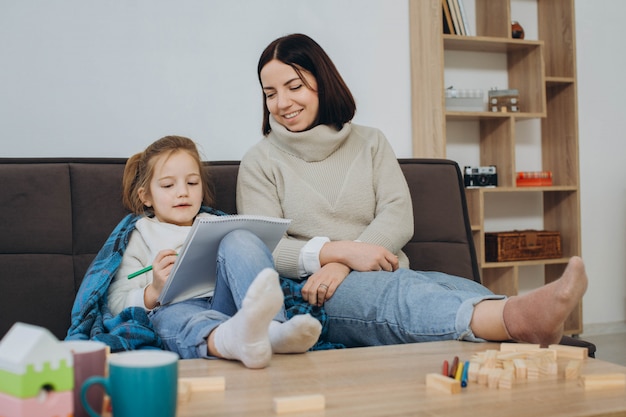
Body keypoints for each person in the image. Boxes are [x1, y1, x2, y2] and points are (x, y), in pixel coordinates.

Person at [236, 33, 588, 348]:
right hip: (314, 293)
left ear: (323, 82)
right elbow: (265, 247)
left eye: (293, 86)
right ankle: (517, 321)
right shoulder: (260, 161)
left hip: (384, 273)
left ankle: (527, 328)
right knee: (400, 295)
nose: (282, 103)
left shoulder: (370, 142)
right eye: (270, 93)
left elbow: (398, 215)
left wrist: (344, 263)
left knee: (453, 288)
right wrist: (337, 253)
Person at [70, 135, 321, 369]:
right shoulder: (140, 233)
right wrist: (154, 290)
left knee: (241, 237)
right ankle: (229, 340)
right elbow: (115, 302)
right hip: (176, 309)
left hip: (231, 302)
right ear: (145, 196)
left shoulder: (214, 223)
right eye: (168, 185)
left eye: (192, 182)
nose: (183, 192)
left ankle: (273, 330)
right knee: (173, 319)